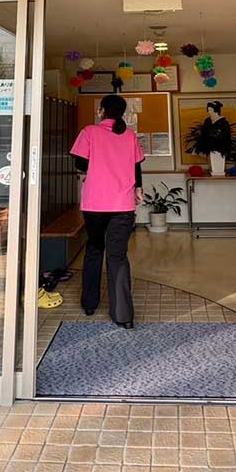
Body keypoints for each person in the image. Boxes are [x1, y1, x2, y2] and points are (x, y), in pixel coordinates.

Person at [70, 95, 144, 329]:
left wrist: (100, 161)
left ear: (101, 111)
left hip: (95, 204)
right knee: (117, 256)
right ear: (122, 113)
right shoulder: (129, 135)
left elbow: (80, 163)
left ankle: (90, 304)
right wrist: (138, 188)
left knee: (94, 249)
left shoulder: (89, 131)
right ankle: (124, 316)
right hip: (123, 204)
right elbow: (137, 166)